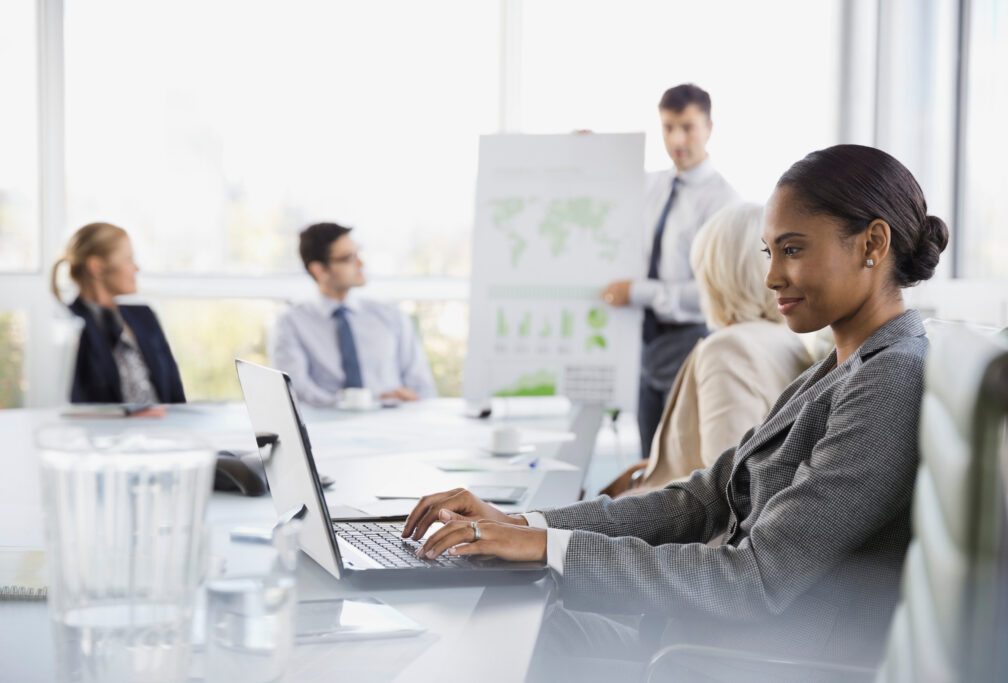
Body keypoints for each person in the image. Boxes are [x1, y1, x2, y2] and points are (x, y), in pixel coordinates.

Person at [403, 144, 950, 673]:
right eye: (769, 252)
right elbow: (702, 499)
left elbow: (754, 578)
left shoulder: (890, 376)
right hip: (689, 641)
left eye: (793, 249)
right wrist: (521, 523)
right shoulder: (839, 364)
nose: (771, 276)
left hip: (737, 661)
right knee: (470, 621)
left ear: (872, 244)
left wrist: (545, 548)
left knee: (482, 642)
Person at [601, 203, 811, 498]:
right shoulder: (786, 339)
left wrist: (625, 500)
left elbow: (722, 495)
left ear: (716, 276)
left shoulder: (729, 349)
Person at [600, 83, 741, 460]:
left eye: (687, 127)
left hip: (689, 340)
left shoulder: (723, 201)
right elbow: (608, 187)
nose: (677, 139)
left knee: (679, 460)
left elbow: (713, 290)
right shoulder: (654, 186)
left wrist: (640, 292)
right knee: (648, 459)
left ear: (708, 127)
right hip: (644, 343)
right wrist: (586, 153)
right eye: (668, 127)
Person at [269, 222, 437, 406]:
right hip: (328, 424)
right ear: (319, 270)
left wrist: (412, 398)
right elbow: (297, 391)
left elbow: (422, 388)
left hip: (392, 424)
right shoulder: (291, 322)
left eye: (358, 254)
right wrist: (368, 404)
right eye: (349, 258)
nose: (361, 263)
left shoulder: (391, 316)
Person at [52, 222, 185, 404]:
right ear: (96, 267)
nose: (136, 268)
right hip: (108, 432)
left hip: (164, 429)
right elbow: (77, 402)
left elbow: (176, 394)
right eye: (128, 259)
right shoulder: (71, 326)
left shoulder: (144, 317)